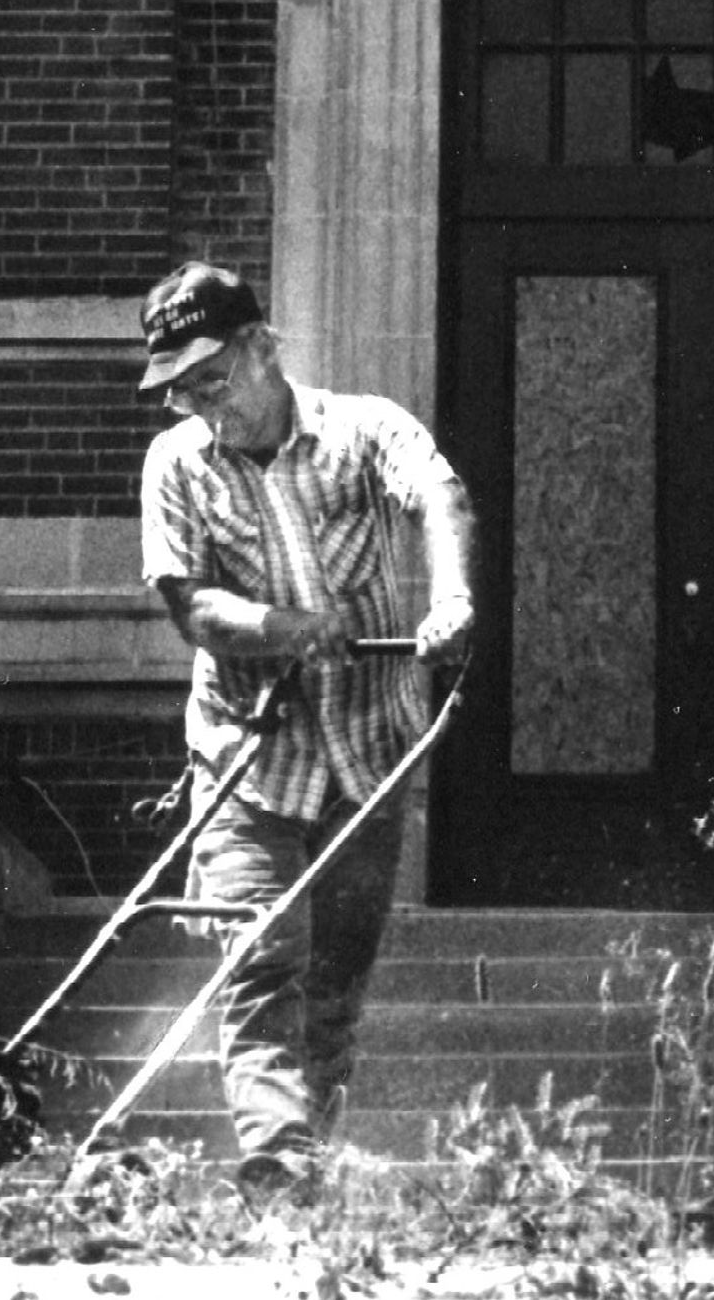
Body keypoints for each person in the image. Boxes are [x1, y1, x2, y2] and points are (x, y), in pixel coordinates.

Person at [132, 260, 477, 1199]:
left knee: (331, 986)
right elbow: (192, 608)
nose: (206, 406)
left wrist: (450, 597)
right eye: (182, 392)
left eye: (215, 379)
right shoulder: (177, 465)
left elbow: (436, 495)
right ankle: (276, 1174)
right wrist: (289, 631)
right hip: (247, 756)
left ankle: (304, 1180)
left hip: (368, 753)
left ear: (263, 348)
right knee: (259, 963)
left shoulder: (362, 429)